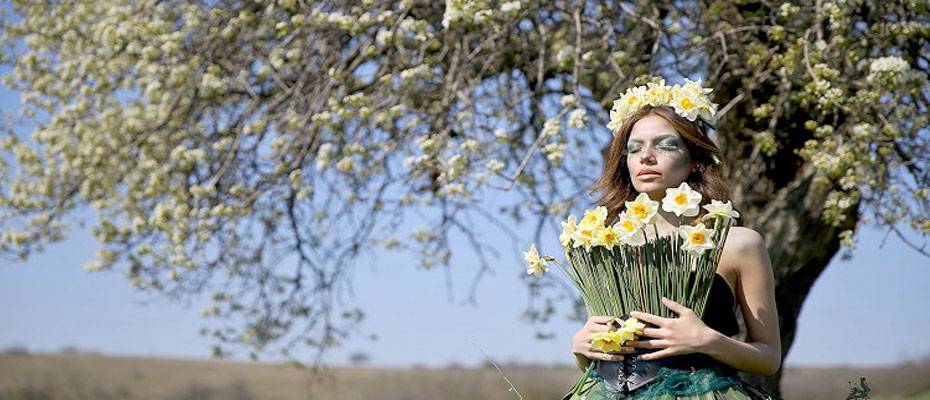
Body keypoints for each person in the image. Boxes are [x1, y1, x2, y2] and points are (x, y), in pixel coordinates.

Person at [563, 79, 781, 399]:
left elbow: (769, 357)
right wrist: (580, 347)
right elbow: (602, 355)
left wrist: (707, 340)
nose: (646, 157)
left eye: (665, 145)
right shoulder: (604, 242)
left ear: (694, 158)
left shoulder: (737, 243)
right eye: (634, 148)